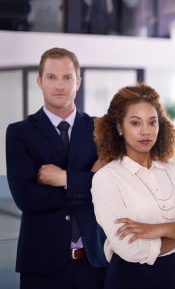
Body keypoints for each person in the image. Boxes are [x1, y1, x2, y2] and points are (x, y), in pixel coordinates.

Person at [6, 48, 108, 288]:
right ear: (40, 82)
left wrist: (63, 178)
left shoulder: (100, 129)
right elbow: (26, 198)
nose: (59, 85)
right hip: (42, 266)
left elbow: (113, 188)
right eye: (51, 77)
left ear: (78, 82)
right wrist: (89, 182)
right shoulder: (19, 132)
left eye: (67, 77)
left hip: (97, 262)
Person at [91, 83, 175, 289]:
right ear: (119, 127)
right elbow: (131, 249)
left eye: (152, 122)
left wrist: (156, 230)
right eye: (135, 123)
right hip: (129, 280)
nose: (146, 131)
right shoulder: (106, 178)